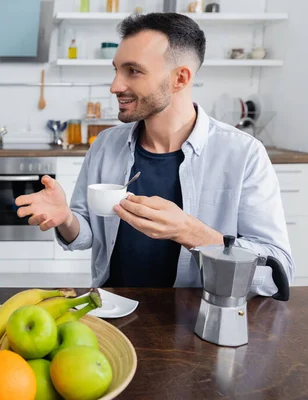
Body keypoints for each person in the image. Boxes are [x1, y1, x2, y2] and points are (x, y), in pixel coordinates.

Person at [16, 13, 293, 295]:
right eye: (116, 70)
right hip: (112, 311)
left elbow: (276, 274)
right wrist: (66, 219)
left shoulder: (243, 154)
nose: (115, 86)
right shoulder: (105, 145)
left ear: (180, 78)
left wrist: (190, 232)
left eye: (133, 71)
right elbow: (85, 235)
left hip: (196, 322)